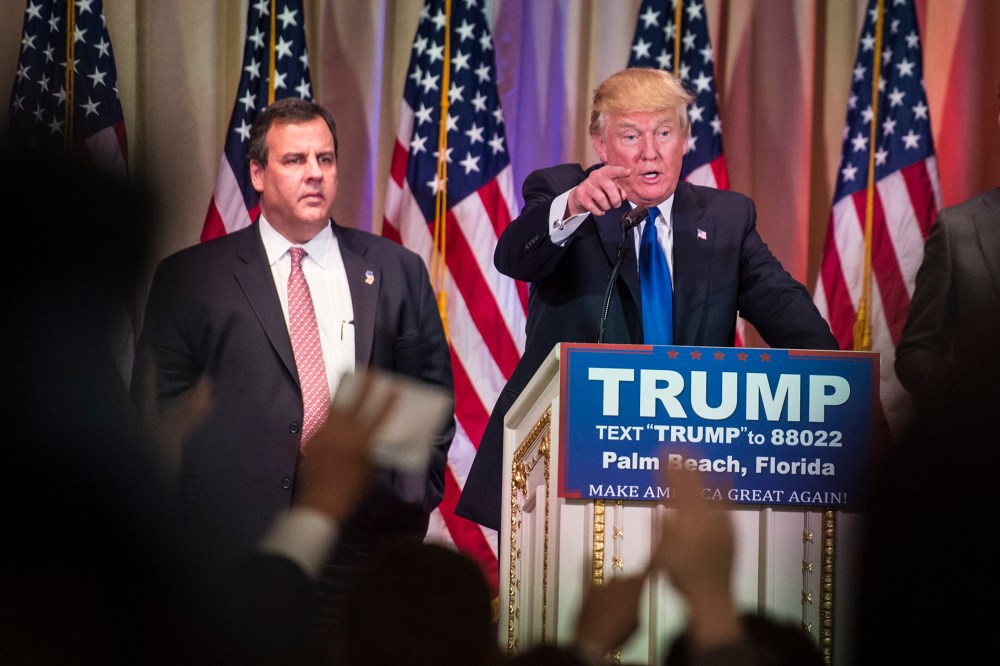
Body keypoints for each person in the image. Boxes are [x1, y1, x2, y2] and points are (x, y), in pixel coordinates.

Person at [456, 67, 838, 531]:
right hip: (568, 455)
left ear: (684, 139)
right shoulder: (561, 191)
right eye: (631, 135)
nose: (651, 152)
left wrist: (840, 377)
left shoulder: (726, 217)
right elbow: (513, 257)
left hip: (692, 464)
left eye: (664, 132)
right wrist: (573, 206)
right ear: (602, 145)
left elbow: (784, 307)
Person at [132, 98, 455, 623]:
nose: (315, 175)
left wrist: (406, 500)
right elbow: (157, 416)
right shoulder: (191, 278)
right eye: (295, 160)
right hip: (235, 553)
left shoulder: (397, 270)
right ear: (257, 173)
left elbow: (432, 401)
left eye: (325, 160)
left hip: (364, 544)